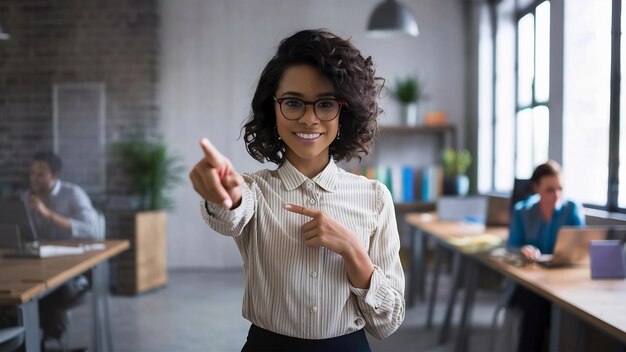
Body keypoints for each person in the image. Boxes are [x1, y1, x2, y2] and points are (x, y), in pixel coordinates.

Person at [189, 29, 405, 351]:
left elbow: (387, 322)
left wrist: (352, 250)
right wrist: (224, 195)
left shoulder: (375, 198)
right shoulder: (254, 190)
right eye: (293, 102)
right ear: (272, 108)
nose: (308, 119)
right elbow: (230, 215)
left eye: (325, 104)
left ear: (344, 111)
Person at [22, 151, 99, 349]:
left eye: (40, 174)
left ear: (55, 175)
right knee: (23, 291)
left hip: (74, 272)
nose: (34, 178)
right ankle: (32, 341)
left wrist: (48, 214)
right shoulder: (26, 198)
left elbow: (91, 230)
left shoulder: (73, 194)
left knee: (45, 292)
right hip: (38, 267)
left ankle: (47, 338)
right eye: (32, 173)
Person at [506, 160, 586, 352]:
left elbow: (580, 248)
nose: (557, 195)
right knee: (537, 307)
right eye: (550, 189)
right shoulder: (522, 211)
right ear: (536, 188)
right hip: (530, 286)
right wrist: (522, 251)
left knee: (568, 311)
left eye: (560, 188)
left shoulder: (572, 210)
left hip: (563, 284)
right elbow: (511, 247)